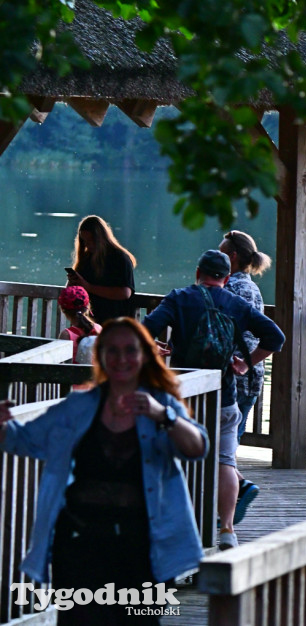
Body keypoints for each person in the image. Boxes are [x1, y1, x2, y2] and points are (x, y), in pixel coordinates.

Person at [0, 318, 208, 626]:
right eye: (112, 351)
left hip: (143, 545)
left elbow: (197, 447)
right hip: (79, 542)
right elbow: (24, 439)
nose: (121, 359)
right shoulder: (79, 406)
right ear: (101, 357)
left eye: (129, 350)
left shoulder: (160, 404)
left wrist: (162, 415)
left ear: (144, 356)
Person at [143, 250, 285, 550]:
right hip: (224, 395)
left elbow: (143, 330)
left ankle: (180, 527)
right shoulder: (236, 303)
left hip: (185, 397)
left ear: (198, 272)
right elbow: (276, 337)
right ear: (227, 277)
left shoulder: (179, 298)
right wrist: (246, 363)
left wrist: (154, 348)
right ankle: (227, 531)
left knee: (176, 459)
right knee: (225, 460)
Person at [218, 230, 273, 521]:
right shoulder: (251, 288)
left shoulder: (231, 290)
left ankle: (237, 489)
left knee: (224, 442)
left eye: (221, 251)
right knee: (230, 439)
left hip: (235, 373)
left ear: (233, 256)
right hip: (251, 372)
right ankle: (233, 492)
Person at [66, 215, 137, 324]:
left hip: (117, 324)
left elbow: (125, 293)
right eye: (84, 241)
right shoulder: (86, 259)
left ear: (100, 238)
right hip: (91, 323)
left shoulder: (120, 258)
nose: (87, 245)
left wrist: (88, 287)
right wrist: (73, 283)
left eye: (90, 240)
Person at [57, 285, 102, 364]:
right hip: (97, 375)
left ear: (63, 310)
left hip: (75, 376)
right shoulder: (99, 329)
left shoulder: (66, 335)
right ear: (88, 306)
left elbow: (60, 365)